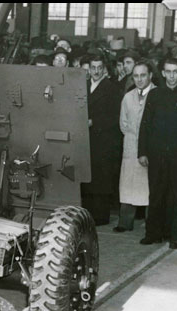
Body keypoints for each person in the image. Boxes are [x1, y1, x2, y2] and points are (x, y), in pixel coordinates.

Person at [138, 57, 177, 249]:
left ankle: (176, 235)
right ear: (163, 73)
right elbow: (145, 125)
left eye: (176, 71)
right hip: (157, 153)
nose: (172, 76)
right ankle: (153, 233)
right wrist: (142, 152)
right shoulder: (155, 95)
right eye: (168, 71)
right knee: (156, 193)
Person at [115, 61, 155, 232]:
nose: (139, 79)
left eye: (143, 75)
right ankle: (125, 222)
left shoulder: (157, 95)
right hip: (131, 147)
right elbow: (123, 124)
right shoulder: (128, 97)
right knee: (128, 185)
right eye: (136, 76)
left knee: (149, 187)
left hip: (150, 147)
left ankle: (151, 223)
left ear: (150, 75)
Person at [82, 54, 122, 226]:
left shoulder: (112, 89)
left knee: (101, 179)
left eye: (99, 68)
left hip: (103, 140)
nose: (96, 71)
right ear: (89, 69)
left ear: (104, 69)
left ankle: (100, 216)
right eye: (93, 67)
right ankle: (88, 214)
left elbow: (115, 117)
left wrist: (94, 122)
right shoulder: (83, 86)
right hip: (86, 139)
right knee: (88, 177)